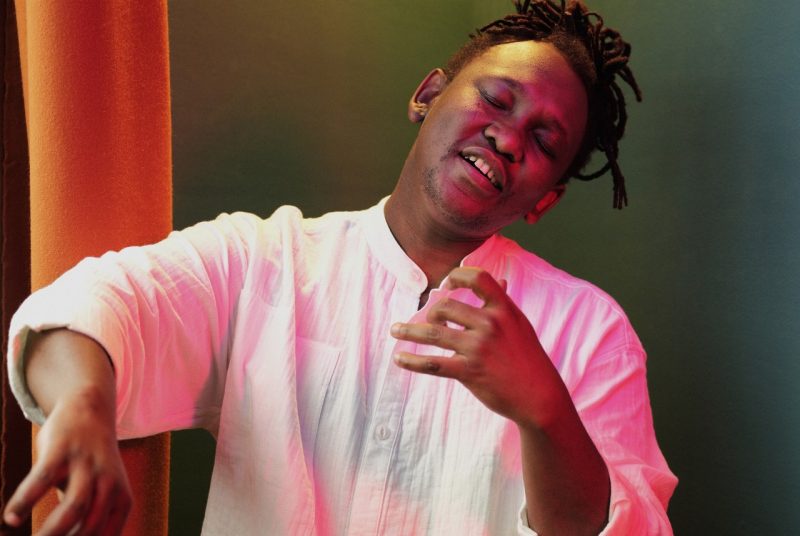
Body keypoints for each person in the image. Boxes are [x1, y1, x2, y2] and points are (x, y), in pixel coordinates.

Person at [4, 1, 677, 534]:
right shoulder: (265, 260)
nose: (507, 137)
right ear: (428, 94)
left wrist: (546, 412)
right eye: (496, 101)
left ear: (545, 200)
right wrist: (83, 405)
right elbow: (99, 305)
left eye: (543, 141)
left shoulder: (592, 332)